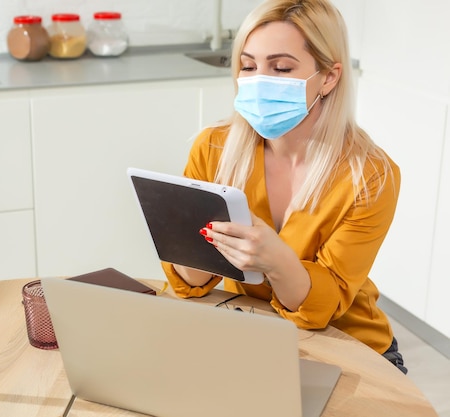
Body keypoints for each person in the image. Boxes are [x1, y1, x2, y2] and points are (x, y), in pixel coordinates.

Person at [162, 0, 407, 373]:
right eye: (248, 66)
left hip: (349, 345)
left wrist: (275, 260)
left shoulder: (370, 176)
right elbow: (193, 281)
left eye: (281, 68)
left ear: (329, 77)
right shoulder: (213, 149)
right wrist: (176, 233)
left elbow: (323, 309)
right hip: (251, 338)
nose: (259, 81)